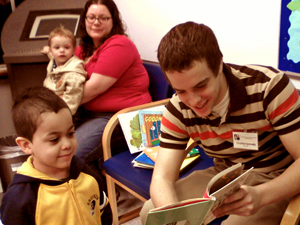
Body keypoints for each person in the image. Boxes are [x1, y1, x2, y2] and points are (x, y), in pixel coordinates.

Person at [140, 22, 300, 224]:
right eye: (181, 91)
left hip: (275, 174)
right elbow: (162, 178)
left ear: (219, 65)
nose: (194, 101)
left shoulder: (270, 87)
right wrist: (174, 217)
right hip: (225, 175)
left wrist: (261, 196)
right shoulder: (177, 108)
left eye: (201, 85)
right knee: (152, 213)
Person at [0, 87, 112, 225]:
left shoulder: (88, 174)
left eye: (70, 133)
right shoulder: (19, 198)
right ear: (26, 145)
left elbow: (103, 212)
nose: (67, 144)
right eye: (54, 139)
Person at [74, 0, 152, 172]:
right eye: (91, 17)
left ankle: (101, 196)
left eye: (103, 18)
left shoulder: (119, 45)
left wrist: (56, 104)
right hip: (91, 115)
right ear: (84, 20)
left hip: (124, 119)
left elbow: (91, 89)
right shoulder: (82, 49)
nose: (96, 22)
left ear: (113, 21)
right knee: (51, 146)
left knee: (71, 154)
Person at [42, 25, 87, 115]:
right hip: (50, 101)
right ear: (51, 51)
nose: (62, 51)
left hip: (67, 113)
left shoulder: (74, 73)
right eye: (57, 47)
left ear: (74, 50)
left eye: (66, 47)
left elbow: (72, 99)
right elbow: (52, 57)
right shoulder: (55, 60)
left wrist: (62, 116)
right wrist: (47, 51)